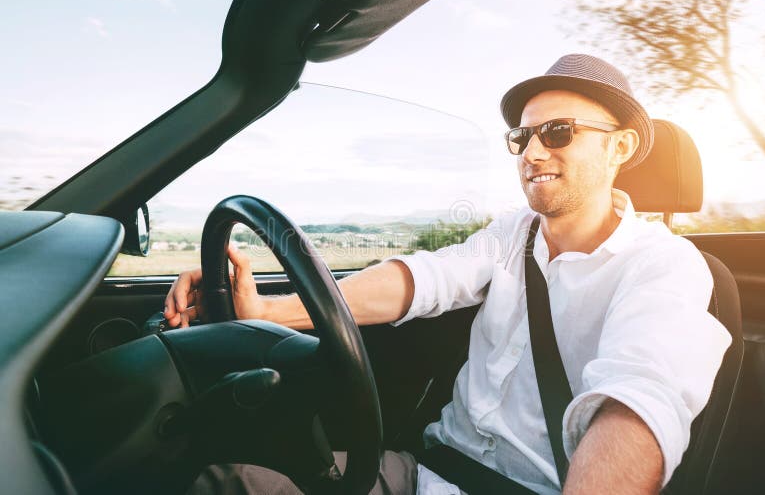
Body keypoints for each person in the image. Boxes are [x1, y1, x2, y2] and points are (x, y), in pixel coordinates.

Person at [166, 54, 732, 495]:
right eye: (522, 137)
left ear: (621, 146)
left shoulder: (665, 267)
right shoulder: (514, 233)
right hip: (421, 473)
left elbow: (639, 402)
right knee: (223, 483)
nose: (532, 152)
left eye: (558, 132)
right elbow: (423, 279)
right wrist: (267, 311)